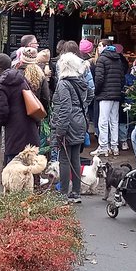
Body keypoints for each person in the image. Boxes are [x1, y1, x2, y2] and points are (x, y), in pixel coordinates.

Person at [51, 51, 91, 202]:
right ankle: (76, 192)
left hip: (68, 124)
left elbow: (64, 109)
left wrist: (59, 132)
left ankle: (63, 194)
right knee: (75, 157)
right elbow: (89, 96)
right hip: (80, 121)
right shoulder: (81, 82)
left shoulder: (63, 84)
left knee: (64, 159)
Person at [91, 43, 127, 156]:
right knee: (114, 121)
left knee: (103, 121)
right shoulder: (118, 58)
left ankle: (103, 146)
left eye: (100, 46)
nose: (98, 48)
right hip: (116, 94)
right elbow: (122, 78)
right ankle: (114, 146)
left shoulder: (102, 59)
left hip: (104, 94)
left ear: (105, 46)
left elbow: (99, 78)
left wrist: (96, 91)